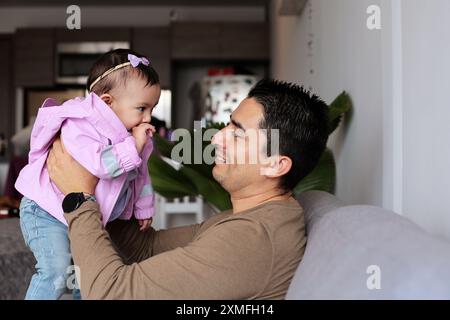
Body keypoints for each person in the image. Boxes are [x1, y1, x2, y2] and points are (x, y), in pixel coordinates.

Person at [47, 79, 330, 299]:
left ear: (275, 165)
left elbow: (110, 294)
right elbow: (146, 248)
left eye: (237, 132)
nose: (218, 137)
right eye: (227, 125)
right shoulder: (253, 216)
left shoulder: (252, 239)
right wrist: (108, 182)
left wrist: (78, 197)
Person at [15, 49, 161, 300]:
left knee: (91, 278)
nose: (148, 117)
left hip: (86, 217)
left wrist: (143, 208)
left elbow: (141, 175)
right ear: (106, 102)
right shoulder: (80, 123)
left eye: (152, 108)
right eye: (142, 108)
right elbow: (100, 166)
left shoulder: (134, 138)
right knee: (57, 271)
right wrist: (133, 146)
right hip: (47, 211)